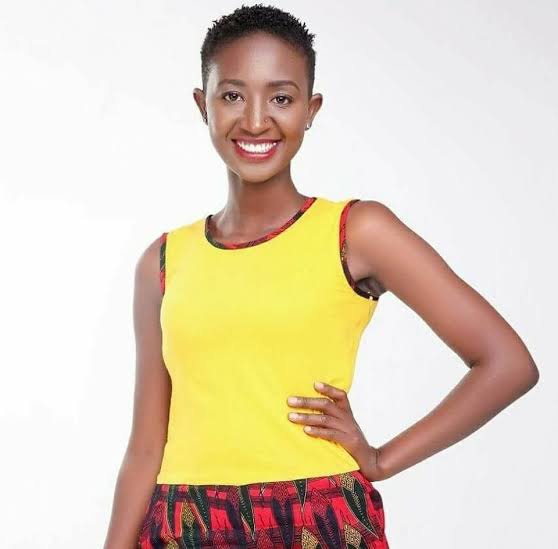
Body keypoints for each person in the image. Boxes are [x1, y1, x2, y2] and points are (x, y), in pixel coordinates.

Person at [103, 5, 539, 548]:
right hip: (185, 524)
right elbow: (146, 446)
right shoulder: (163, 261)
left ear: (311, 110)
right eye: (232, 95)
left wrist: (382, 459)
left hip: (315, 519)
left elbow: (507, 363)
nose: (256, 121)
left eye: (281, 98)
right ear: (202, 104)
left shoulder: (356, 232)